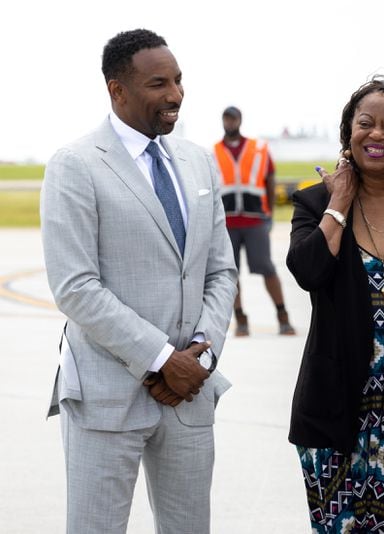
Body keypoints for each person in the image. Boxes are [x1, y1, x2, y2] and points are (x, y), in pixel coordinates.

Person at [41, 29, 237, 533]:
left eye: (178, 80)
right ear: (117, 90)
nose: (175, 95)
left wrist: (200, 356)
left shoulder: (197, 161)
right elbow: (76, 287)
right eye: (158, 84)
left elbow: (220, 270)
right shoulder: (76, 165)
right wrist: (161, 359)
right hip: (108, 394)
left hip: (189, 392)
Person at [286, 77, 384, 533]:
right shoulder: (315, 202)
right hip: (338, 405)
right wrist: (339, 201)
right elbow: (308, 271)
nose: (377, 135)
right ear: (348, 131)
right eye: (366, 124)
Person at [213, 105, 296, 336]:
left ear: (240, 120)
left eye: (233, 119)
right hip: (227, 223)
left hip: (255, 220)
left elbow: (270, 178)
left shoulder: (258, 148)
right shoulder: (213, 152)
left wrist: (268, 212)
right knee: (230, 274)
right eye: (226, 119)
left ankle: (283, 317)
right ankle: (241, 321)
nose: (229, 123)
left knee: (266, 267)